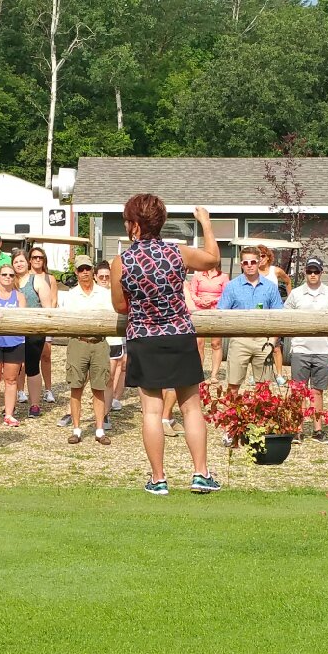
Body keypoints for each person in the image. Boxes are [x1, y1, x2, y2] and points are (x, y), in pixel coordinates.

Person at [111, 193, 223, 494]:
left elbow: (120, 306)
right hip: (179, 334)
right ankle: (200, 474)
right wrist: (206, 225)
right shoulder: (178, 253)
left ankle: (158, 478)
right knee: (191, 408)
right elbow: (213, 259)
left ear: (134, 225)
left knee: (151, 411)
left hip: (144, 338)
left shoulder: (121, 262)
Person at [58, 260, 116, 444]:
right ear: (76, 272)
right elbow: (65, 320)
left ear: (93, 271)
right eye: (81, 269)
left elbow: (112, 317)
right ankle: (76, 429)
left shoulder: (105, 294)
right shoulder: (71, 295)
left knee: (99, 387)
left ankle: (99, 430)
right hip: (78, 342)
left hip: (99, 342)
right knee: (76, 387)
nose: (84, 272)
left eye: (88, 269)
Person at [283, 258, 328, 439]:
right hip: (300, 349)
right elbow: (285, 317)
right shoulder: (296, 294)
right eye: (309, 271)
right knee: (298, 391)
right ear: (305, 273)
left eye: (316, 271)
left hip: (323, 349)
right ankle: (297, 430)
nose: (313, 275)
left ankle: (317, 429)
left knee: (317, 391)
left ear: (321, 272)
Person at [217, 247, 284, 386]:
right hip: (239, 340)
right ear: (241, 264)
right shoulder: (232, 286)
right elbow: (221, 314)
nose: (249, 265)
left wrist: (272, 341)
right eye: (246, 262)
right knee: (233, 385)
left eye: (253, 262)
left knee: (263, 388)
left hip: (264, 341)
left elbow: (279, 317)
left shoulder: (270, 287)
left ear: (259, 262)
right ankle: (233, 408)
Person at [0, 260, 26, 428]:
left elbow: (21, 319)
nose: (8, 278)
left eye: (11, 275)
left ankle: (9, 413)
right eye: (4, 275)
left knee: (11, 379)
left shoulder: (20, 296)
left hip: (14, 341)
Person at [19, 245, 59, 417]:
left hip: (35, 329)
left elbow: (49, 304)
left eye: (40, 257)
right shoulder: (10, 280)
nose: (36, 260)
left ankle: (35, 403)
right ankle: (16, 399)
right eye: (33, 257)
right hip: (13, 331)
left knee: (34, 364)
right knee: (15, 367)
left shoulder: (41, 280)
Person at [186, 250, 229, 379]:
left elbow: (226, 295)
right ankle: (198, 372)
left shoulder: (223, 277)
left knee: (216, 343)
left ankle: (214, 374)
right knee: (199, 343)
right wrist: (200, 301)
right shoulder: (198, 275)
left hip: (216, 310)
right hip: (199, 311)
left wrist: (213, 301)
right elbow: (192, 292)